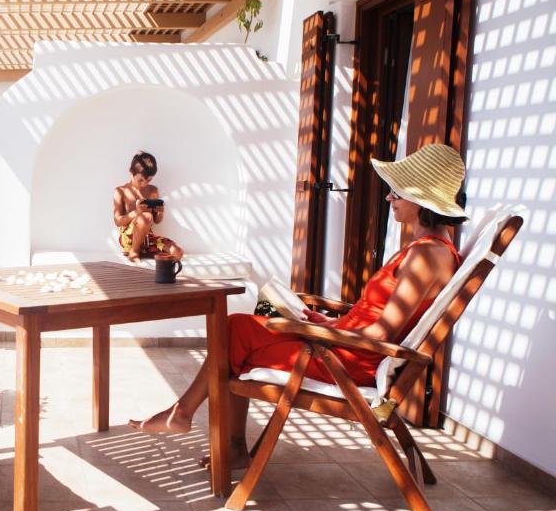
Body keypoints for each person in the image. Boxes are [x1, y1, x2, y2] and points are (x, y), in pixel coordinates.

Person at [129, 143, 469, 467]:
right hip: (344, 344)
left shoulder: (426, 256)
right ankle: (196, 424)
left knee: (234, 334)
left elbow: (384, 331)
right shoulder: (429, 248)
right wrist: (326, 322)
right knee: (239, 328)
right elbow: (377, 317)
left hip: (348, 361)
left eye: (397, 191)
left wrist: (318, 331)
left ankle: (189, 418)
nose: (389, 196)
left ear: (421, 198)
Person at [113, 152, 184, 262]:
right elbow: (118, 221)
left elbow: (156, 220)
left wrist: (160, 212)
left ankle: (146, 251)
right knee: (146, 216)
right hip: (128, 239)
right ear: (131, 172)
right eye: (140, 180)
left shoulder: (153, 190)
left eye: (149, 180)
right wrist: (136, 212)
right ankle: (134, 251)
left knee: (177, 252)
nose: (144, 184)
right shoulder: (120, 191)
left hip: (147, 238)